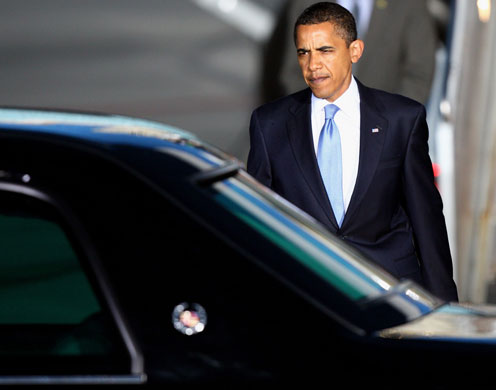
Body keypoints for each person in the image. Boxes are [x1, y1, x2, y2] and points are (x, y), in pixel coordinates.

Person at [247, 2, 458, 302]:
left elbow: (427, 222)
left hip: (390, 293)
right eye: (304, 52)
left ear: (355, 51)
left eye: (325, 51)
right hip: (306, 295)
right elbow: (259, 222)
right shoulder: (270, 125)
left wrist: (445, 309)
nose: (313, 65)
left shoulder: (401, 121)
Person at [260, 0, 438, 105]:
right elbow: (291, 73)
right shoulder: (306, 3)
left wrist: (386, 123)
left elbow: (418, 77)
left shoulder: (409, 5)